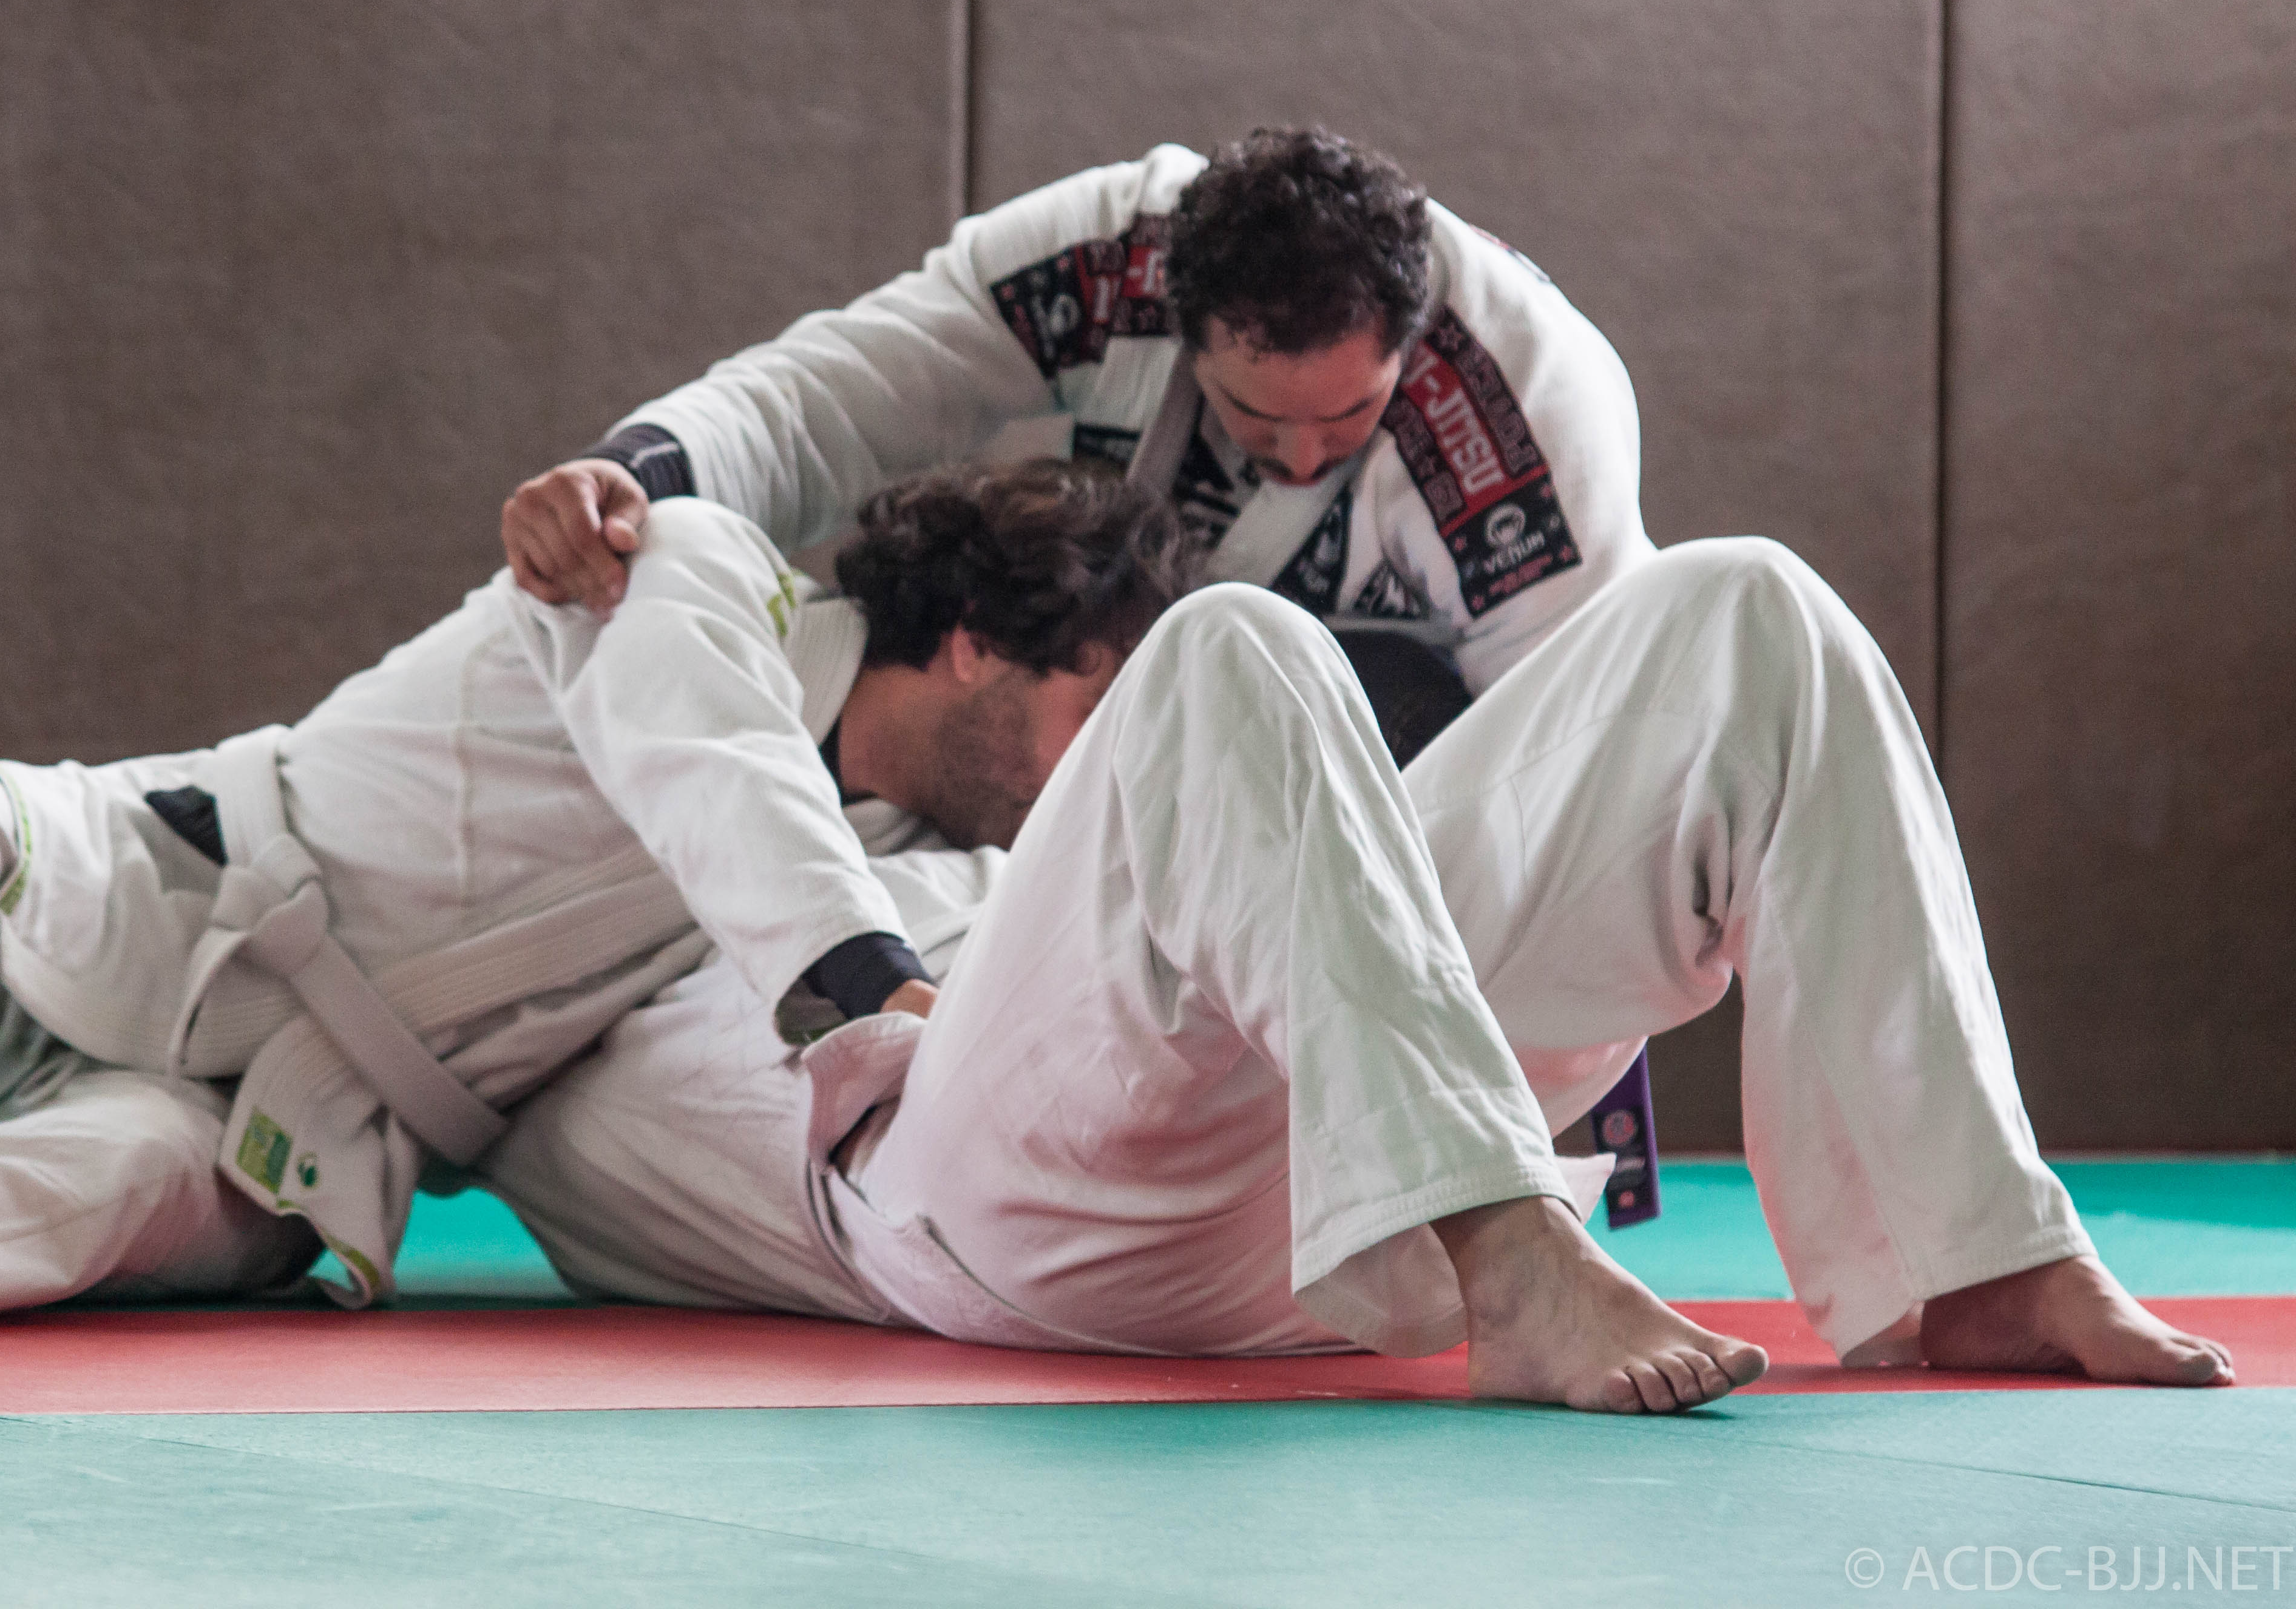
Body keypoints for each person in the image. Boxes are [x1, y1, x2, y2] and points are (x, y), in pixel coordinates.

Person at [0, 461, 1190, 1347]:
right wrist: (871, 992)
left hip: (300, 1127)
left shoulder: (927, 860)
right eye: (1094, 709)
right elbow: (715, 768)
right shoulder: (693, 569)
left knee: (84, 1212)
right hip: (139, 878)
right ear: (980, 639)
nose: (1086, 776)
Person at [477, 541, 2237, 1414]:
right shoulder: (616, 980)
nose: (1082, 742)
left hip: (1324, 1158)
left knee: (1748, 608)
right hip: (1004, 1199)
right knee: (1229, 644)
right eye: (1071, 694)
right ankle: (1509, 1255)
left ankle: (1976, 1255)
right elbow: (585, 1149)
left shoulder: (1032, 853)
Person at [503, 125, 1650, 763]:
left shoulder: (1532, 422)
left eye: (1347, 419)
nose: (1303, 459)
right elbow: (833, 397)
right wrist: (637, 475)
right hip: (1106, 749)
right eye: (1257, 418)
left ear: (1408, 341)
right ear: (1183, 326)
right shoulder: (1106, 261)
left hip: (1414, 763)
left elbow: (1575, 760)